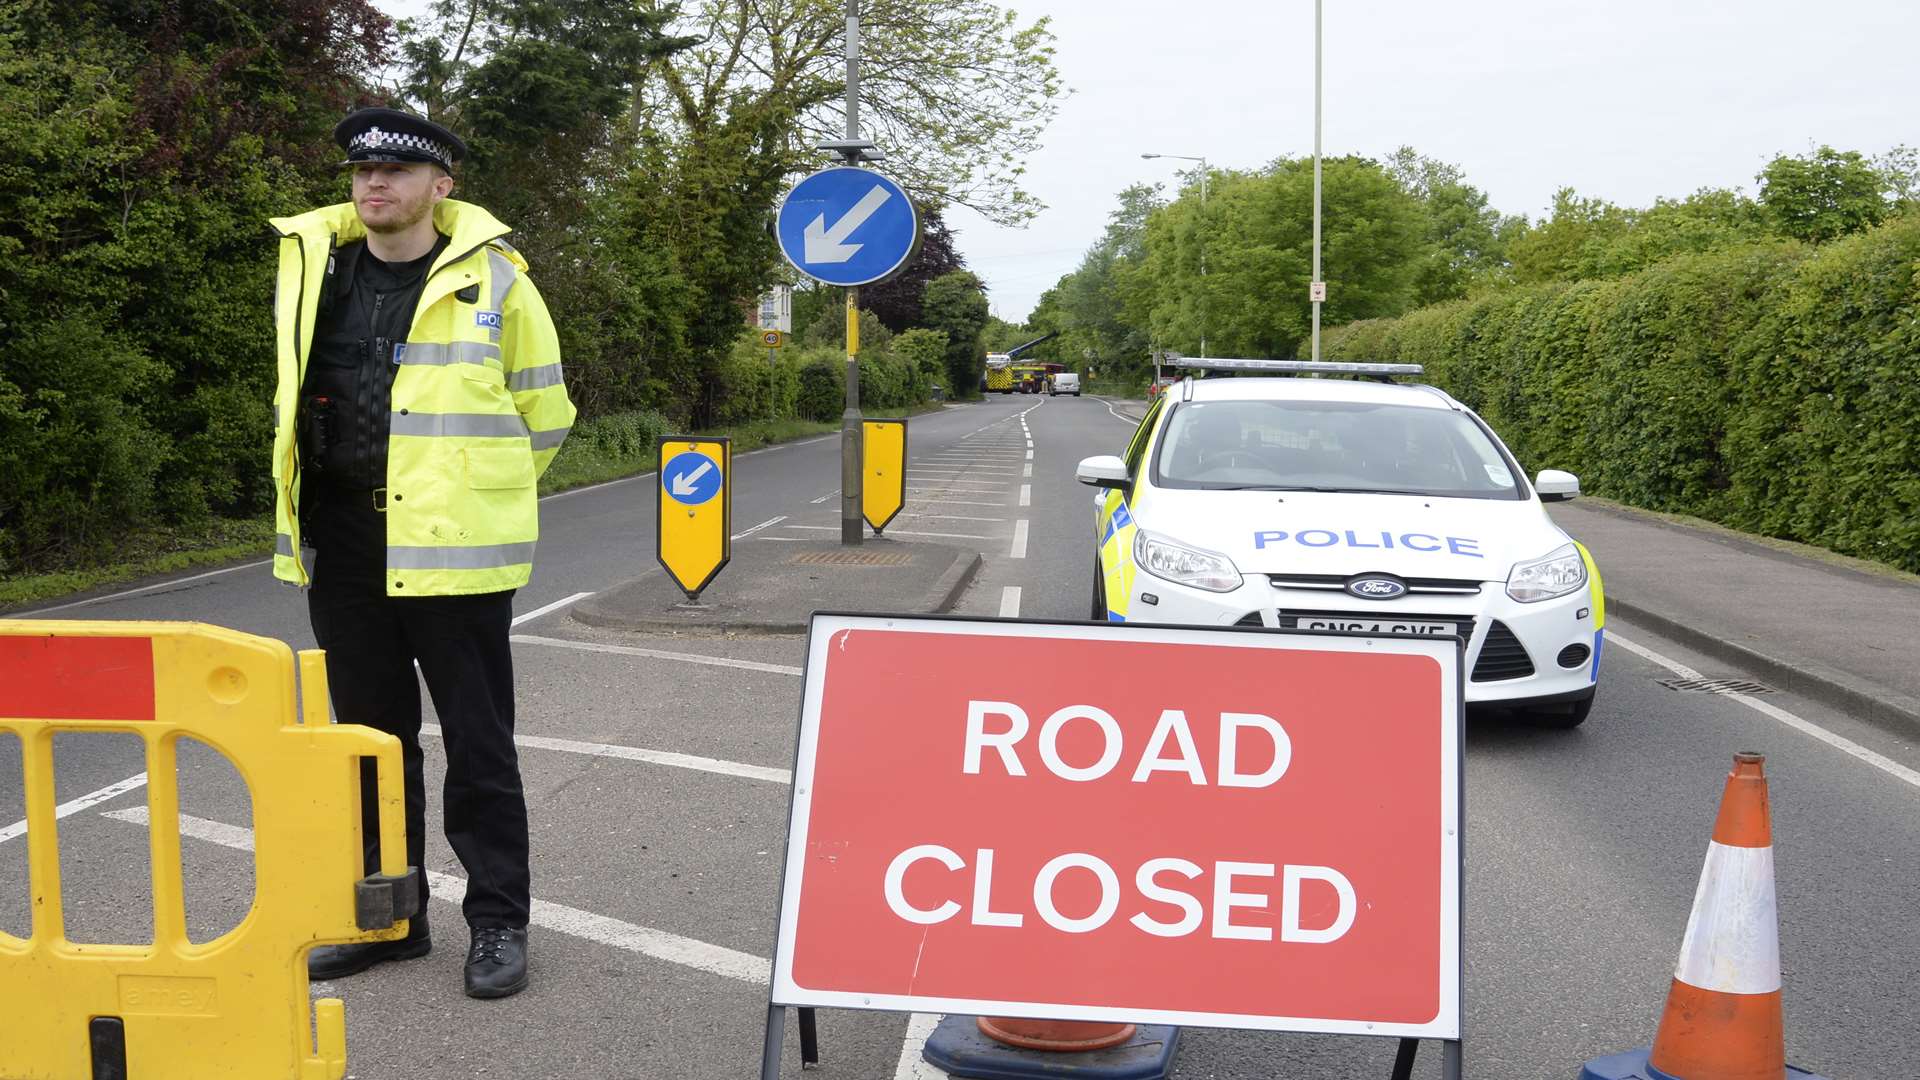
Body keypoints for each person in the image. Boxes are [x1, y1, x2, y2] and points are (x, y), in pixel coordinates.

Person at [267, 107, 575, 999]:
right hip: (348, 548)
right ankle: (390, 921)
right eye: (362, 170)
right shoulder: (313, 274)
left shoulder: (500, 283)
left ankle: (497, 926)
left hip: (455, 554)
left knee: (480, 749)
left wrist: (469, 497)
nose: (374, 184)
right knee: (369, 750)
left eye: (397, 172)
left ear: (442, 187)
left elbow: (544, 416)